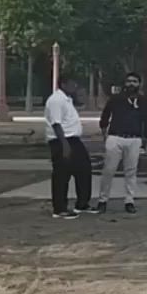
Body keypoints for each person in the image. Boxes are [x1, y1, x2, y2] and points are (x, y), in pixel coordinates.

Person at [95, 72, 147, 214]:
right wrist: (105, 134)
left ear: (139, 84)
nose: (131, 84)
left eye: (134, 81)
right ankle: (103, 200)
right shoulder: (116, 99)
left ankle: (129, 200)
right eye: (128, 81)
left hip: (134, 139)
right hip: (115, 137)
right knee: (109, 170)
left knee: (131, 171)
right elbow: (105, 116)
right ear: (124, 83)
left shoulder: (143, 101)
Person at [45, 77, 93, 219]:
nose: (75, 86)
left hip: (74, 139)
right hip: (62, 140)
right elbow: (56, 123)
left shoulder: (67, 99)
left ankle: (82, 203)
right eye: (72, 83)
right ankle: (60, 208)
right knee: (62, 174)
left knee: (84, 169)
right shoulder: (56, 100)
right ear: (63, 84)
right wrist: (64, 145)